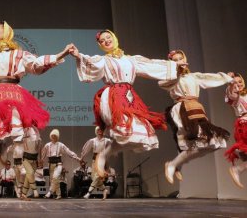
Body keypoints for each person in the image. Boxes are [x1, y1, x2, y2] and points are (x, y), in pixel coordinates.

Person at [69, 30, 183, 177]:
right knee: (124, 130)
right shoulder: (104, 60)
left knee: (137, 135)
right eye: (102, 41)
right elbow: (90, 62)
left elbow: (152, 65)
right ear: (100, 45)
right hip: (115, 96)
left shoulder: (131, 60)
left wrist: (174, 66)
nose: (106, 41)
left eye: (108, 37)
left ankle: (103, 156)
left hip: (129, 96)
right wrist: (78, 55)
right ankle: (102, 157)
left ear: (114, 38)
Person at [159, 50, 231, 184]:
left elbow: (210, 78)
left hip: (196, 108)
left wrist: (227, 78)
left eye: (181, 58)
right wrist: (177, 72)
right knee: (192, 141)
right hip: (182, 109)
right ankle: (172, 165)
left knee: (209, 143)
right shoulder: (171, 78)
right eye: (175, 60)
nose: (179, 61)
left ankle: (175, 164)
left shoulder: (193, 77)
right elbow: (163, 84)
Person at [41, 129, 80, 199]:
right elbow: (43, 154)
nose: (53, 136)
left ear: (57, 136)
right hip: (50, 164)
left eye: (55, 135)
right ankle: (58, 194)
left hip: (58, 164)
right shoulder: (47, 145)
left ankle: (50, 192)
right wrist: (41, 160)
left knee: (55, 177)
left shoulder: (61, 145)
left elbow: (68, 152)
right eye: (52, 135)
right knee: (54, 180)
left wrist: (77, 158)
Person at [224, 73, 247, 188]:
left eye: (240, 81)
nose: (239, 84)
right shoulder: (235, 96)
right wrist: (230, 83)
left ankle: (240, 154)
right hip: (244, 125)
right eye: (236, 82)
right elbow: (232, 96)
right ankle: (237, 169)